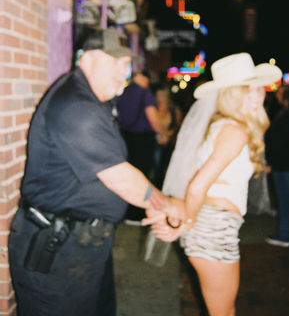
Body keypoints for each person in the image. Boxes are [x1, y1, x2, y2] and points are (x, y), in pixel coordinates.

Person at [8, 28, 184, 316]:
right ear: (87, 58)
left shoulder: (93, 99)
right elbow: (120, 178)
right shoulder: (76, 106)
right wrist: (166, 205)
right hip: (56, 250)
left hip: (80, 247)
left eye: (126, 64)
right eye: (115, 61)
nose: (123, 71)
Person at [143, 52, 282, 316]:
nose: (257, 96)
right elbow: (196, 185)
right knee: (223, 312)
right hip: (214, 229)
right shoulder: (235, 131)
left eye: (258, 89)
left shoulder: (219, 126)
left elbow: (197, 175)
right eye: (247, 91)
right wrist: (187, 223)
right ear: (230, 94)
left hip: (211, 226)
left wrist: (186, 221)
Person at [117, 71, 168, 223]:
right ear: (144, 78)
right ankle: (136, 214)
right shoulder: (145, 94)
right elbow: (152, 116)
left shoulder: (124, 91)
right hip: (143, 140)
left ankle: (124, 211)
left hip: (126, 138)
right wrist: (162, 133)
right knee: (142, 176)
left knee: (128, 174)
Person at [265, 84, 289, 247]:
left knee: (286, 200)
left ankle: (284, 236)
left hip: (285, 165)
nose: (277, 95)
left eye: (280, 93)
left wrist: (271, 163)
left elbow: (281, 144)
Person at [153, 86, 183, 189]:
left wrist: (169, 134)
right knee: (156, 168)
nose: (159, 98)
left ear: (167, 96)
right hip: (155, 143)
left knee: (166, 168)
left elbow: (178, 126)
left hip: (169, 144)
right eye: (157, 95)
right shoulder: (153, 108)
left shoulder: (174, 109)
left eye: (162, 95)